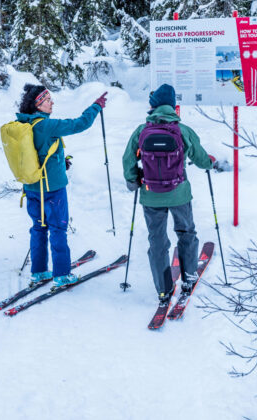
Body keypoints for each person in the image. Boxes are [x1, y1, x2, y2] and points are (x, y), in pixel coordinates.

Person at [122, 84, 214, 304]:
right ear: (173, 106)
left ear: (153, 106)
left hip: (150, 194)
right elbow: (201, 159)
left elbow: (128, 159)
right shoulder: (182, 130)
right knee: (186, 232)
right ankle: (189, 277)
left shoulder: (141, 131)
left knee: (157, 240)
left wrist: (133, 179)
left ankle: (163, 289)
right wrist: (209, 162)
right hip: (179, 193)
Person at [17, 84, 108, 287]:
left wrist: (59, 162)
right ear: (37, 104)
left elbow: (39, 152)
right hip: (52, 190)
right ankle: (61, 274)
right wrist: (96, 106)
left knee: (39, 228)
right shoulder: (47, 125)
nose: (52, 103)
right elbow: (80, 124)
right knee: (58, 228)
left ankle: (39, 271)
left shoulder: (23, 124)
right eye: (48, 100)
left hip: (32, 187)